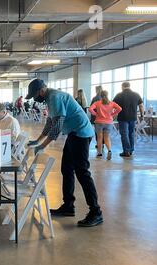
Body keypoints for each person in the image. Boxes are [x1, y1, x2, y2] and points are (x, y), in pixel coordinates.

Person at [26, 79, 103, 228]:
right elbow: (50, 122)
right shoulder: (50, 98)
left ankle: (96, 212)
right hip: (73, 133)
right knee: (66, 169)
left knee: (82, 172)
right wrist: (37, 140)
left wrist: (42, 145)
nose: (35, 99)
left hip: (81, 133)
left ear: (41, 90)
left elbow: (57, 127)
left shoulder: (54, 97)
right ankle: (68, 206)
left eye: (35, 96)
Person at [113, 82, 145, 157]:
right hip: (133, 118)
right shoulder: (136, 94)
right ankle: (131, 150)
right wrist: (142, 115)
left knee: (124, 134)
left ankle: (126, 151)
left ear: (122, 86)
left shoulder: (119, 95)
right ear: (129, 86)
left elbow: (112, 106)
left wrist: (113, 115)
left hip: (122, 117)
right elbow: (141, 106)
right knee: (131, 133)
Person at [89, 91, 122, 160]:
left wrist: (96, 114)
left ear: (100, 96)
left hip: (99, 122)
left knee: (99, 138)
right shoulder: (112, 103)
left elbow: (90, 109)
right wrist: (112, 114)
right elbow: (119, 108)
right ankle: (109, 150)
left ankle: (99, 153)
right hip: (108, 122)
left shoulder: (97, 103)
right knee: (107, 138)